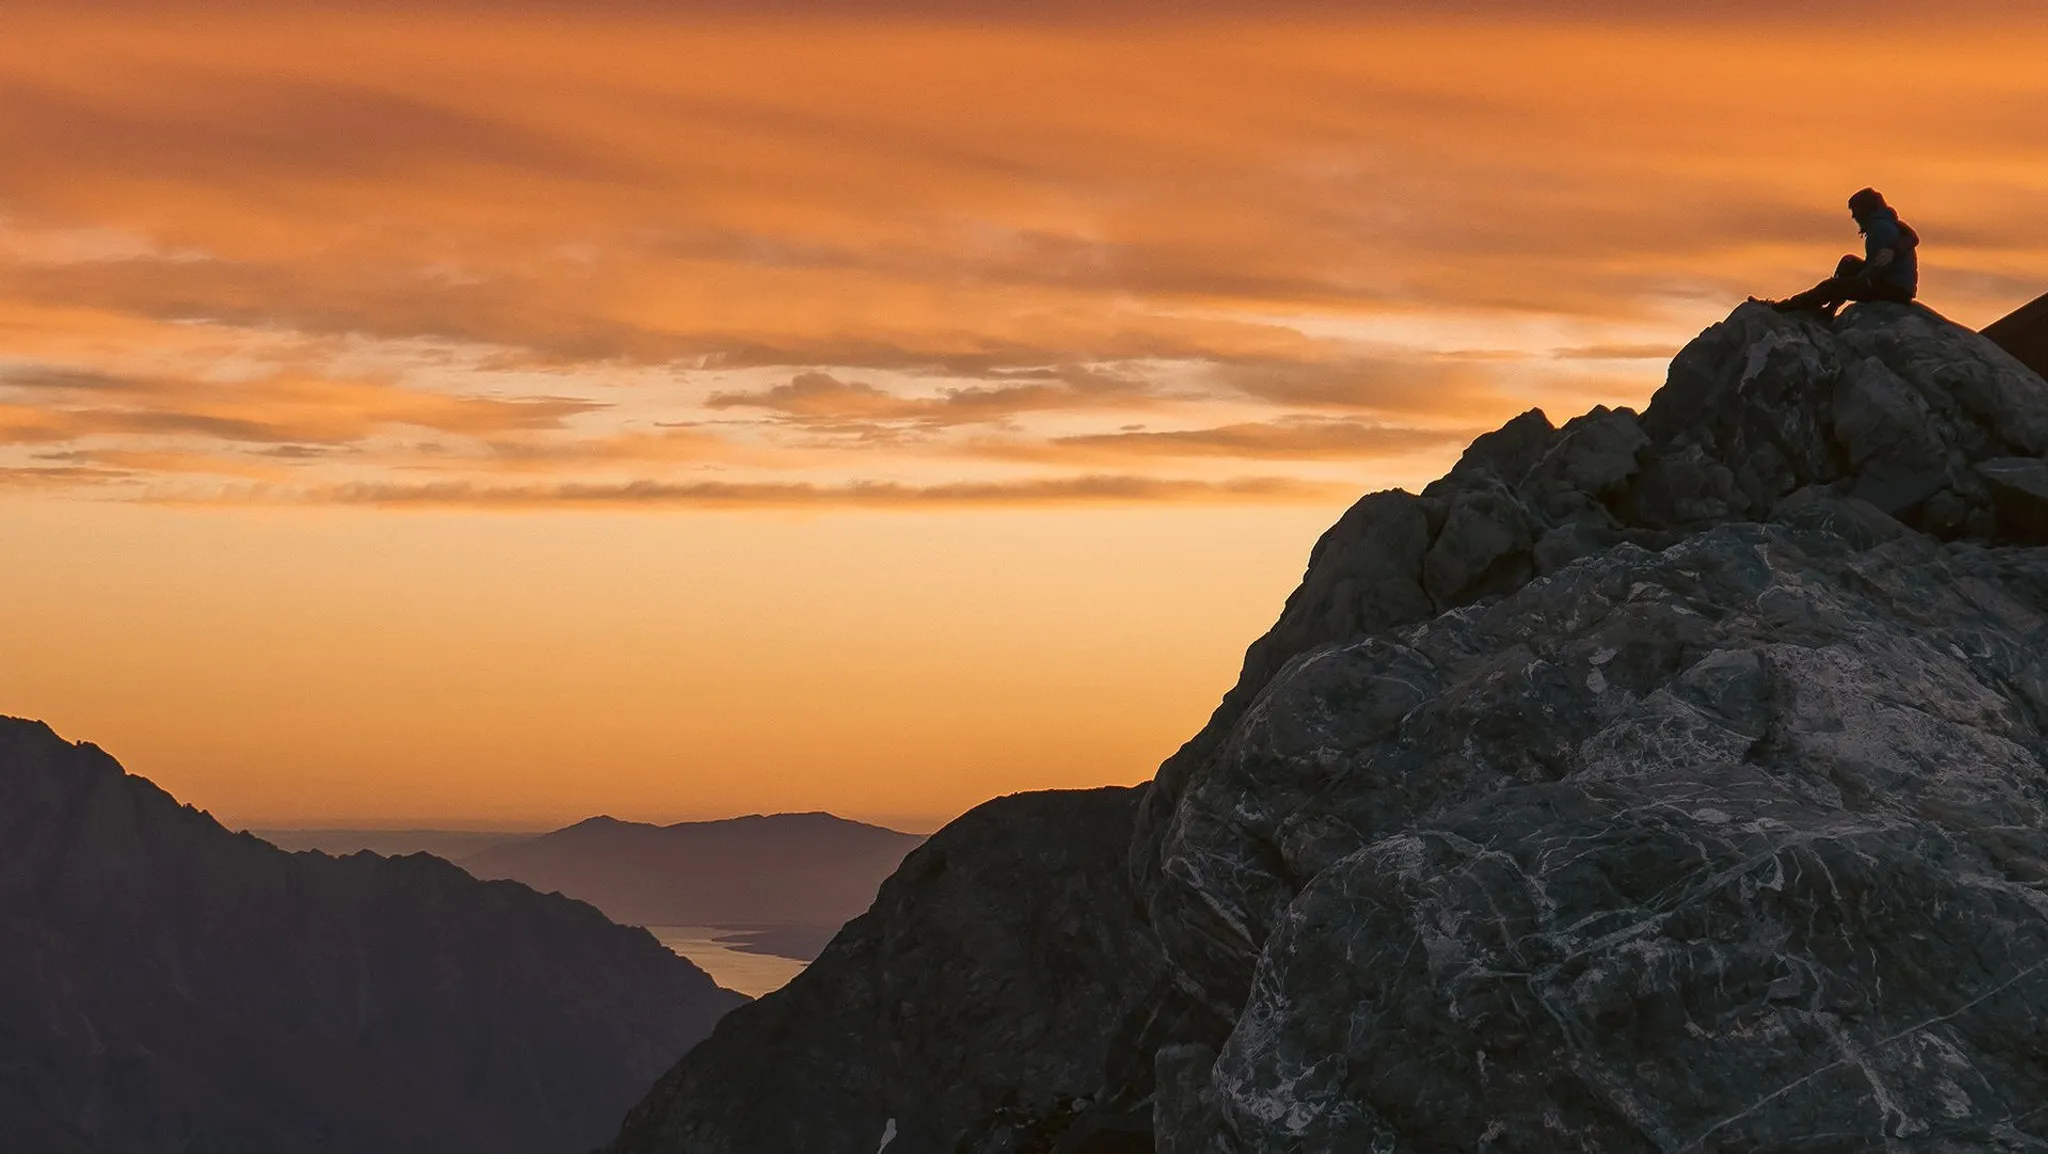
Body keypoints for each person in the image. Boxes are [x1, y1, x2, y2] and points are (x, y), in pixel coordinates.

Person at [1760, 188, 1919, 318]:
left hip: (1894, 290)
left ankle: (1784, 308)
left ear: (1865, 209)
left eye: (1855, 211)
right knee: (1848, 263)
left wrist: (1851, 284)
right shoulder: (1887, 224)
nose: (1853, 216)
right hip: (1895, 286)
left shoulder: (1880, 229)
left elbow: (1877, 270)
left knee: (1831, 286)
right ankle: (1829, 310)